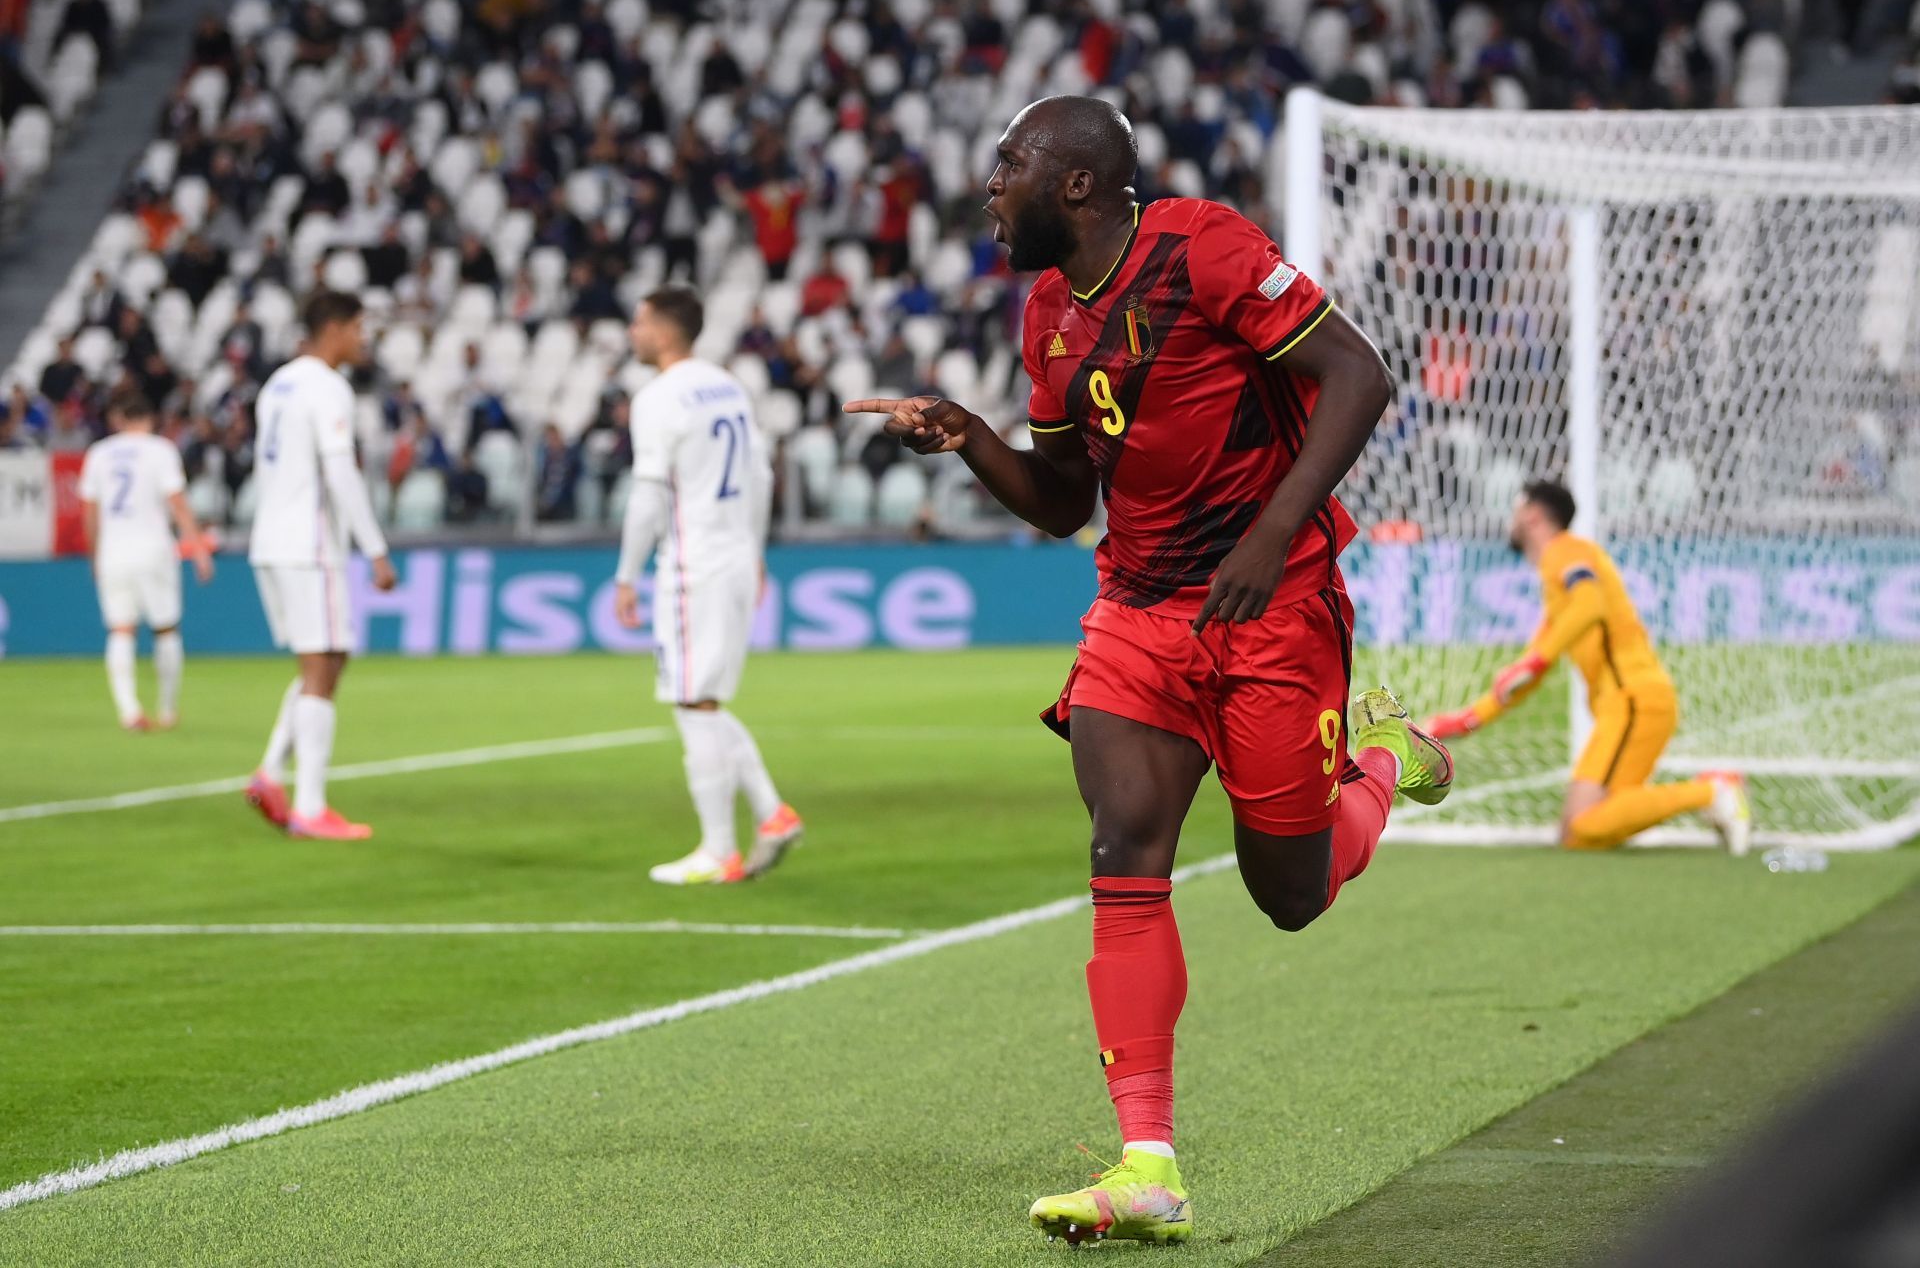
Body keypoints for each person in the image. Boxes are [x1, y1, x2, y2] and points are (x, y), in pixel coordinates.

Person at [846, 95, 1455, 1246]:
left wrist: (1273, 532)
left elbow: (1359, 377)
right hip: (1138, 610)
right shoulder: (1047, 315)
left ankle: (1384, 765)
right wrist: (972, 434)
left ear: (1076, 183)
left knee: (1291, 892)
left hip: (1272, 608)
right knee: (1125, 839)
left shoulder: (1202, 246)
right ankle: (1147, 1163)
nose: (991, 186)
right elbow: (1069, 500)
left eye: (1009, 163)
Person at [1422, 480, 1752, 854]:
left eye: (1516, 510)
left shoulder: (1565, 551)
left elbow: (1589, 604)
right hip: (1632, 704)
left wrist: (1536, 658)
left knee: (1582, 829)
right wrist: (1467, 720)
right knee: (1581, 831)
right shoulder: (1559, 590)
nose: (1511, 520)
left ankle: (1713, 790)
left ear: (1531, 514)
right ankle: (1713, 790)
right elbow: (1531, 674)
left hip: (1632, 700)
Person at [612, 287, 804, 886]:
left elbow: (648, 495)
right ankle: (771, 814)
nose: (632, 332)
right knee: (705, 702)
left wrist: (626, 574)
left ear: (666, 331)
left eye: (640, 322)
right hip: (734, 558)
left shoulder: (658, 397)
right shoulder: (727, 386)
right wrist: (756, 553)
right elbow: (760, 475)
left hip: (693, 565)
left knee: (693, 704)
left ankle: (718, 850)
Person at [243, 291, 397, 841]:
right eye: (357, 327)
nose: (362, 339)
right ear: (332, 328)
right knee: (323, 665)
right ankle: (309, 808)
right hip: (310, 545)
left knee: (326, 661)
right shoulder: (328, 387)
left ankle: (269, 773)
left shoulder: (278, 383)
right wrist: (374, 548)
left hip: (271, 539)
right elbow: (340, 471)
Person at [77, 392, 215, 730]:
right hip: (153, 548)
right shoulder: (161, 450)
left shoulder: (99, 453)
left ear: (119, 420)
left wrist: (94, 555)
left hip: (113, 550)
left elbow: (89, 512)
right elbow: (178, 503)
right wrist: (197, 549)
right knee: (166, 628)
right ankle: (167, 709)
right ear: (149, 419)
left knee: (120, 630)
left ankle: (129, 711)